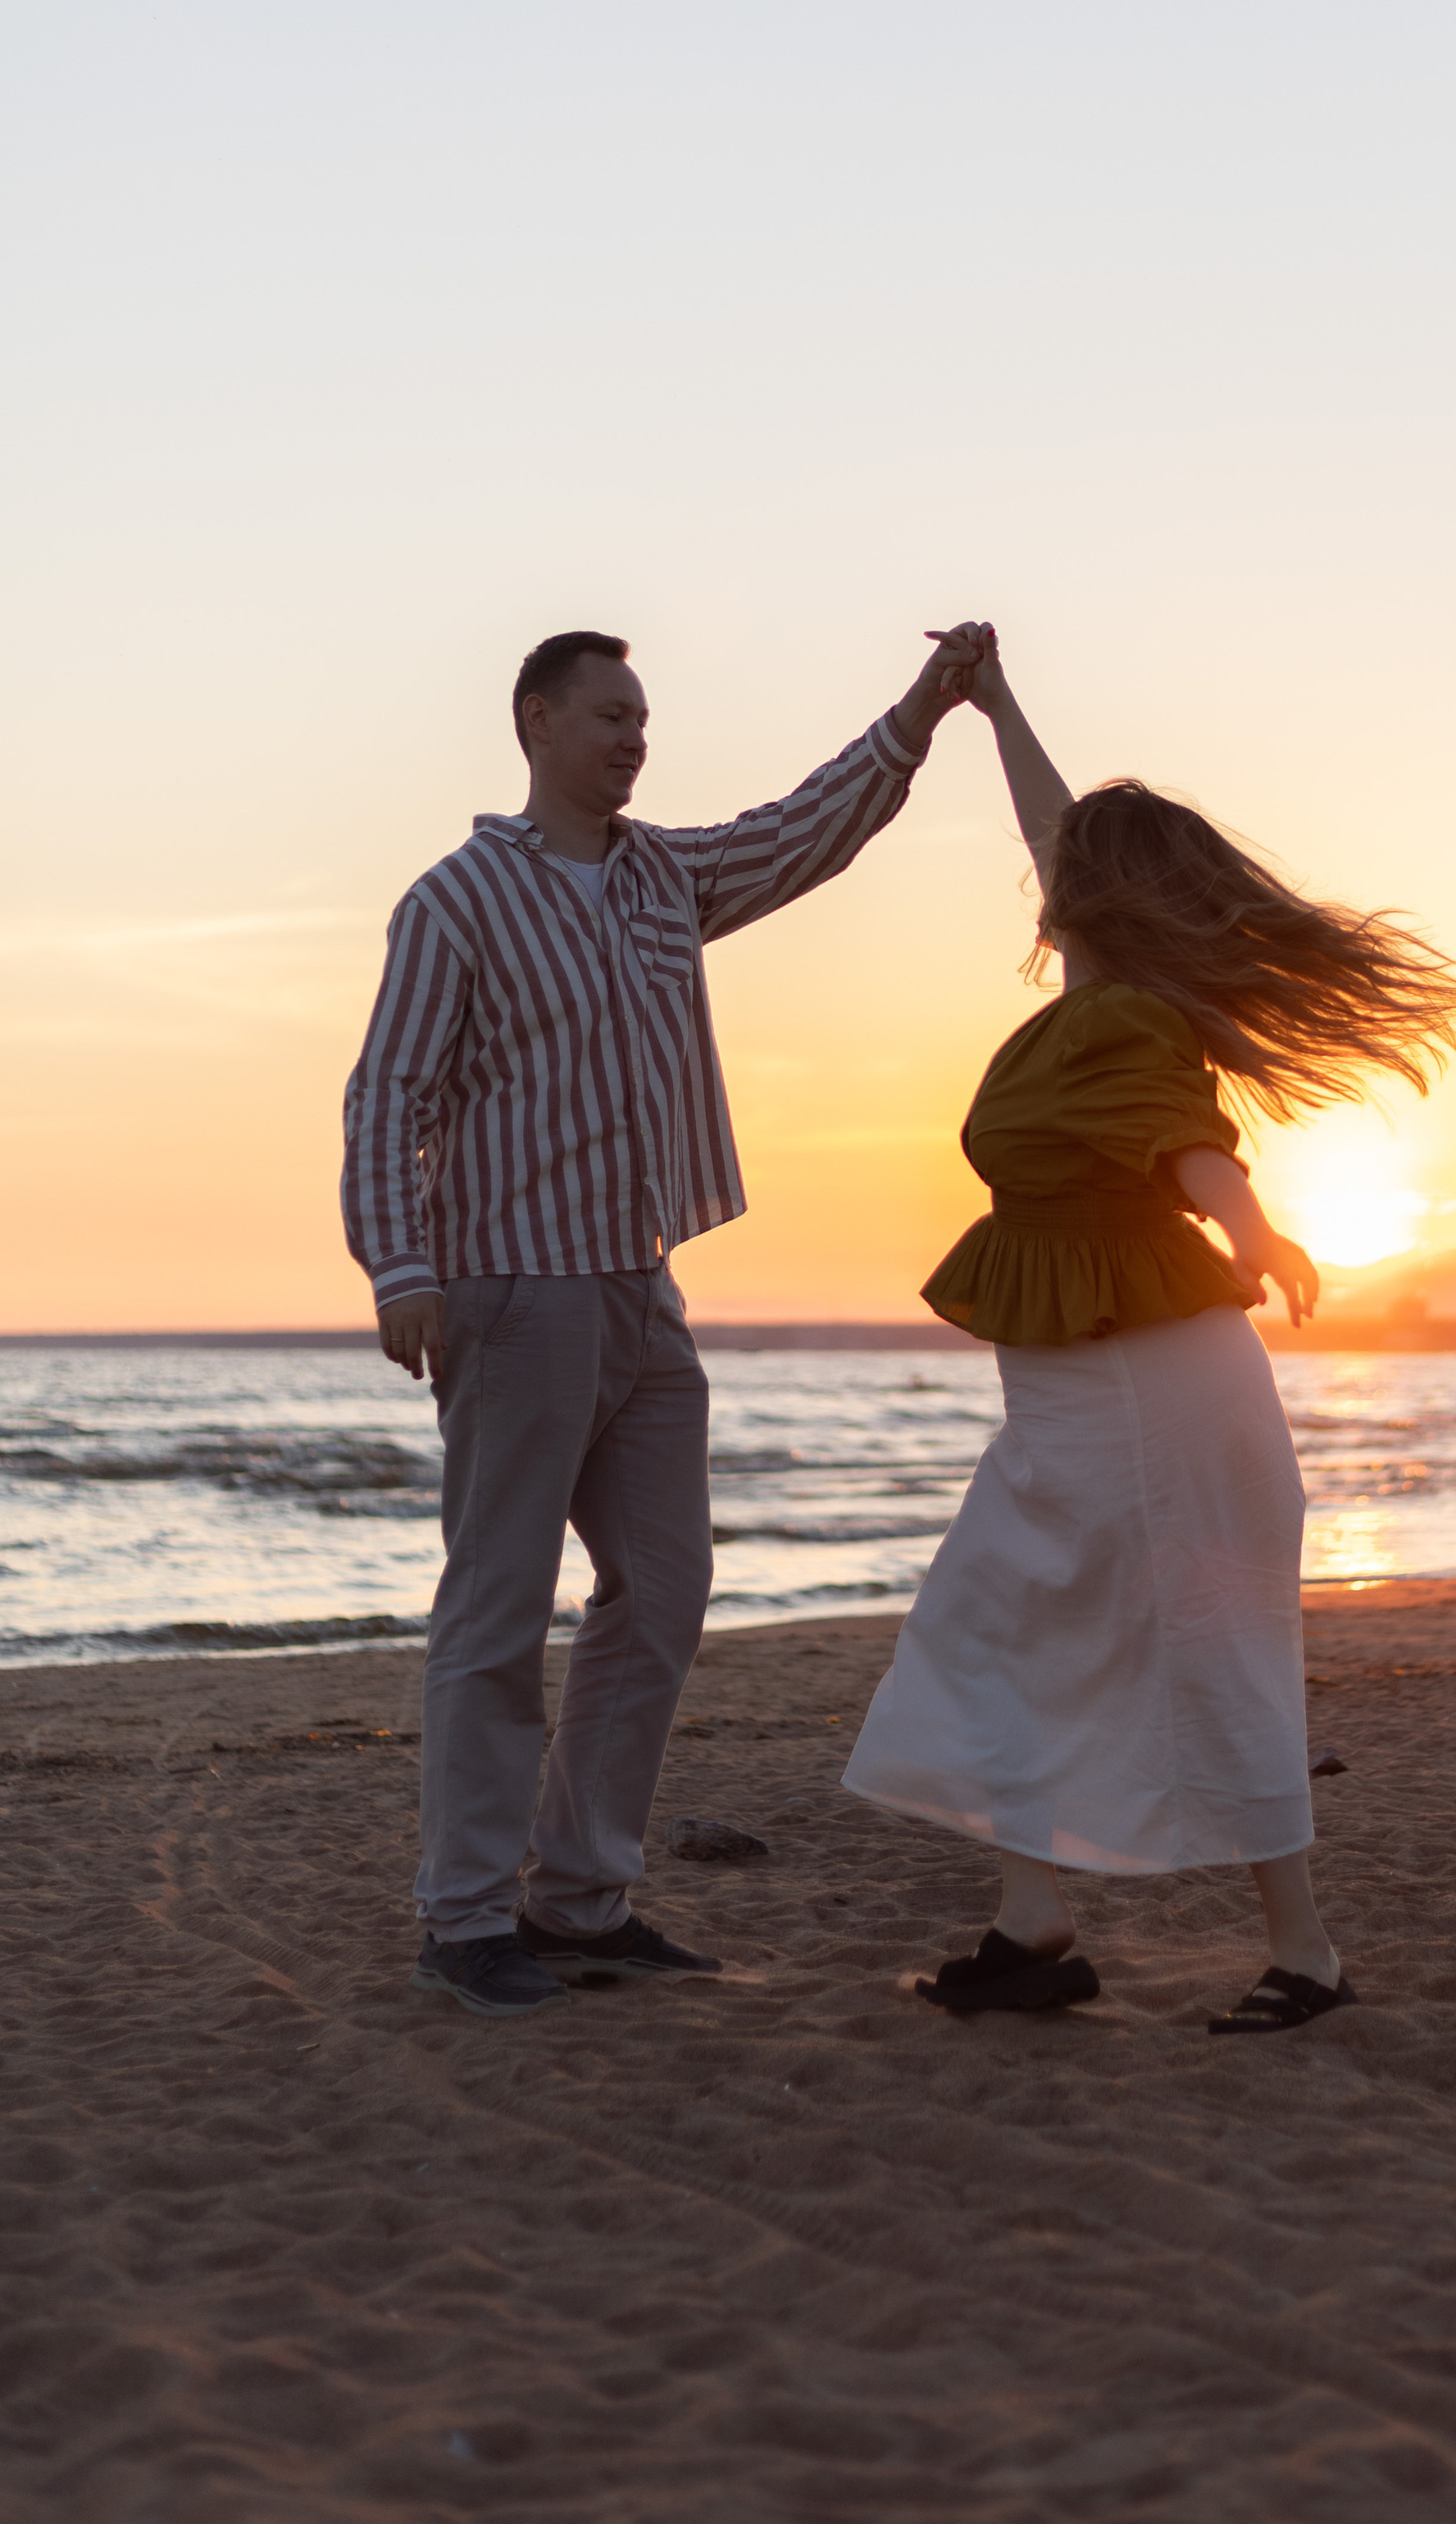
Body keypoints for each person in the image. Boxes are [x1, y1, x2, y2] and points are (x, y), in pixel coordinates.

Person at [344, 620, 990, 2019]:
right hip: (515, 1295)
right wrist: (400, 1270)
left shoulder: (664, 879)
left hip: (643, 1291)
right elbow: (386, 1094)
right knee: (497, 1609)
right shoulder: (457, 901)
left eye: (643, 717)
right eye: (608, 716)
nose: (634, 737)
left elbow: (804, 833)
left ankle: (580, 1896)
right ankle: (462, 1920)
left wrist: (922, 711)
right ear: (535, 726)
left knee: (667, 1589)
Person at [843, 640, 1456, 2034]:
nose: (1043, 868)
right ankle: (1034, 1923)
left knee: (1206, 1654)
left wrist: (1253, 1233)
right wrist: (994, 707)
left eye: (1068, 865)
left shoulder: (1126, 1020)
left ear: (1091, 899)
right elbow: (1050, 822)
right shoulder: (1084, 998)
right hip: (1081, 1408)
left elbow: (1190, 1145)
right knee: (990, 1627)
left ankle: (1304, 1955)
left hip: (1157, 1400)